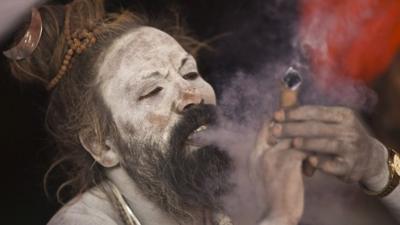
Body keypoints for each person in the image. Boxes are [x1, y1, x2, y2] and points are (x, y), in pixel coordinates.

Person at [4, 0, 400, 225]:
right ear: (103, 145)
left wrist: (379, 167)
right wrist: (279, 213)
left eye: (190, 72)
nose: (191, 93)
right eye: (152, 91)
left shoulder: (228, 184)